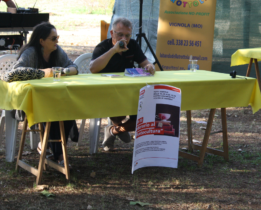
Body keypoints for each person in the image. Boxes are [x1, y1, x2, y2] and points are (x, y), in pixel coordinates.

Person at [13, 22, 79, 166]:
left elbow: (74, 67)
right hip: (32, 102)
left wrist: (64, 71)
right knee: (55, 111)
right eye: (53, 38)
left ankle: (50, 148)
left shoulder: (57, 51)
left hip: (54, 98)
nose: (57, 41)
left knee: (68, 108)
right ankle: (59, 154)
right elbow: (14, 73)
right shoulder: (30, 52)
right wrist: (43, 73)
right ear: (41, 41)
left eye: (58, 37)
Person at [89, 17, 155, 151]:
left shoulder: (133, 45)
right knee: (118, 109)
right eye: (120, 34)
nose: (124, 38)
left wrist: (149, 66)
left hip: (129, 92)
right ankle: (117, 126)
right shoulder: (102, 47)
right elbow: (93, 68)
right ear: (112, 33)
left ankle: (114, 131)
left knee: (146, 115)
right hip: (106, 93)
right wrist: (114, 50)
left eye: (127, 35)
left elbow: (145, 63)